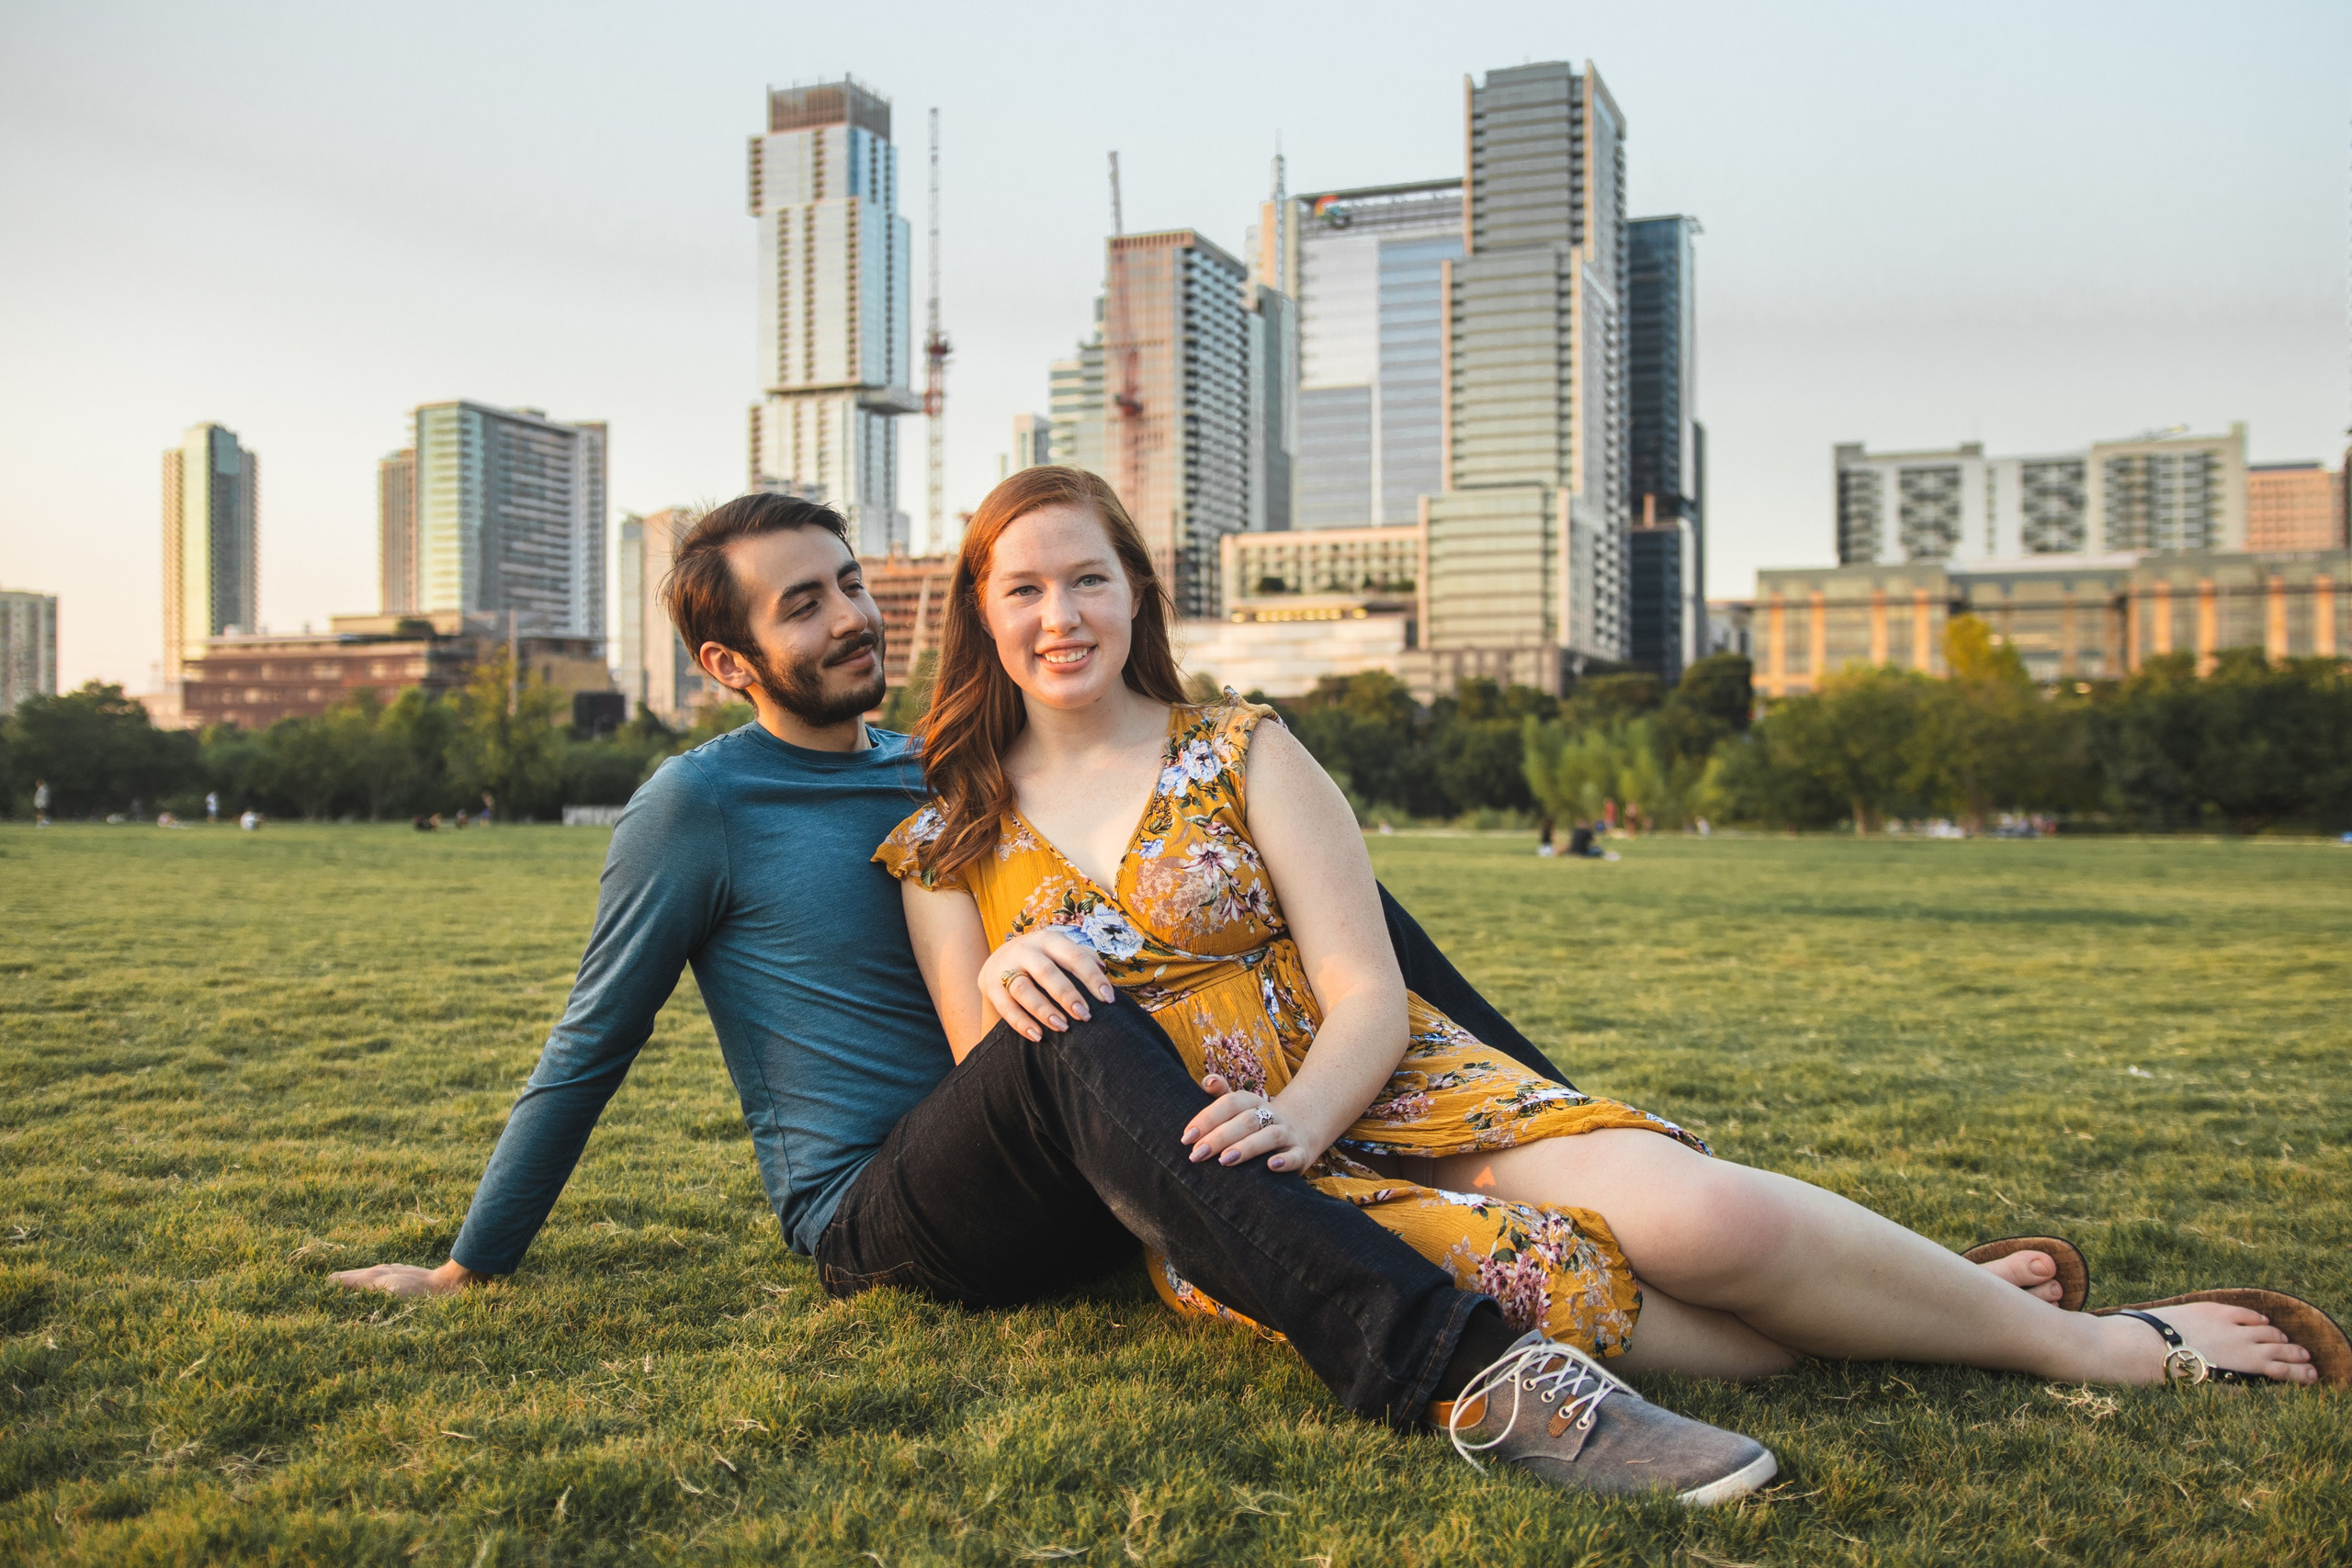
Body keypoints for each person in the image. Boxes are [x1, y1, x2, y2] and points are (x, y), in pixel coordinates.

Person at [329, 490, 1789, 1506]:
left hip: (1100, 1164)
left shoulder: (943, 771)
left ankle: (1611, 1146)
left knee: (1316, 900)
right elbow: (592, 1039)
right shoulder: (695, 807)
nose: (850, 618)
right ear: (726, 662)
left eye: (851, 583)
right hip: (889, 1210)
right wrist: (471, 1265)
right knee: (1060, 1016)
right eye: (803, 606)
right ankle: (1464, 1374)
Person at [868, 466, 2335, 1404]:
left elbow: (1369, 985)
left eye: (1089, 578)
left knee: (1715, 1224)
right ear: (979, 616)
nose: (1061, 615)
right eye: (1024, 588)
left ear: (1137, 591)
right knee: (1601, 1300)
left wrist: (1309, 1115)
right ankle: (1953, 1301)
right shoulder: (949, 841)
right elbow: (1013, 1092)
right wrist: (1001, 965)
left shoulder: (1242, 747)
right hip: (1227, 1190)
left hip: (1385, 1084)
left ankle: (2098, 1344)